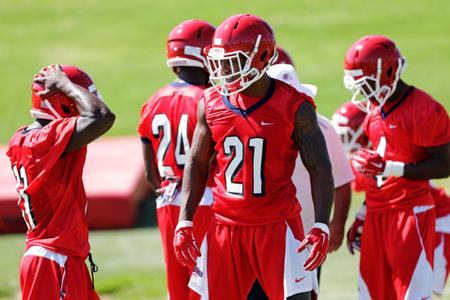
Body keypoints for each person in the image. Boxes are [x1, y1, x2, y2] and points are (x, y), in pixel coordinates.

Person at [173, 14, 334, 300]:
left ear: (261, 57)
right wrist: (185, 219)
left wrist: (321, 223)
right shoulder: (209, 103)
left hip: (277, 226)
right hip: (225, 226)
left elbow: (320, 167)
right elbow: (197, 163)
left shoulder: (294, 106)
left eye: (230, 61)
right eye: (219, 61)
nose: (222, 70)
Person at [342, 35, 450, 299]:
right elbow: (377, 175)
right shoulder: (375, 113)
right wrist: (364, 213)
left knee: (411, 295)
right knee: (372, 295)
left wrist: (392, 169)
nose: (363, 93)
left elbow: (445, 165)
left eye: (365, 84)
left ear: (388, 73)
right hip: (379, 213)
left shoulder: (424, 109)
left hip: (410, 212)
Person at [247, 48, 355, 300]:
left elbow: (341, 180)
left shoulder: (323, 128)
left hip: (306, 234)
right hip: (263, 231)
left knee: (305, 294)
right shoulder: (254, 129)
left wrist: (334, 225)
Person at [7, 64, 115, 300]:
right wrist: (66, 85)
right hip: (54, 259)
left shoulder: (28, 139)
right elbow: (102, 117)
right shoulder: (41, 141)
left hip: (62, 256)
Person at [332, 100, 450, 297]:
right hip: (404, 220)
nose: (342, 143)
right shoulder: (370, 158)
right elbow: (378, 192)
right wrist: (363, 215)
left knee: (416, 290)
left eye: (345, 135)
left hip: (436, 221)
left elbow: (393, 189)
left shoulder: (389, 153)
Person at [137, 19, 215, 300]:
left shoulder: (153, 100)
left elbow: (150, 172)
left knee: (178, 287)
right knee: (209, 285)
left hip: (167, 199)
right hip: (203, 200)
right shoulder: (209, 99)